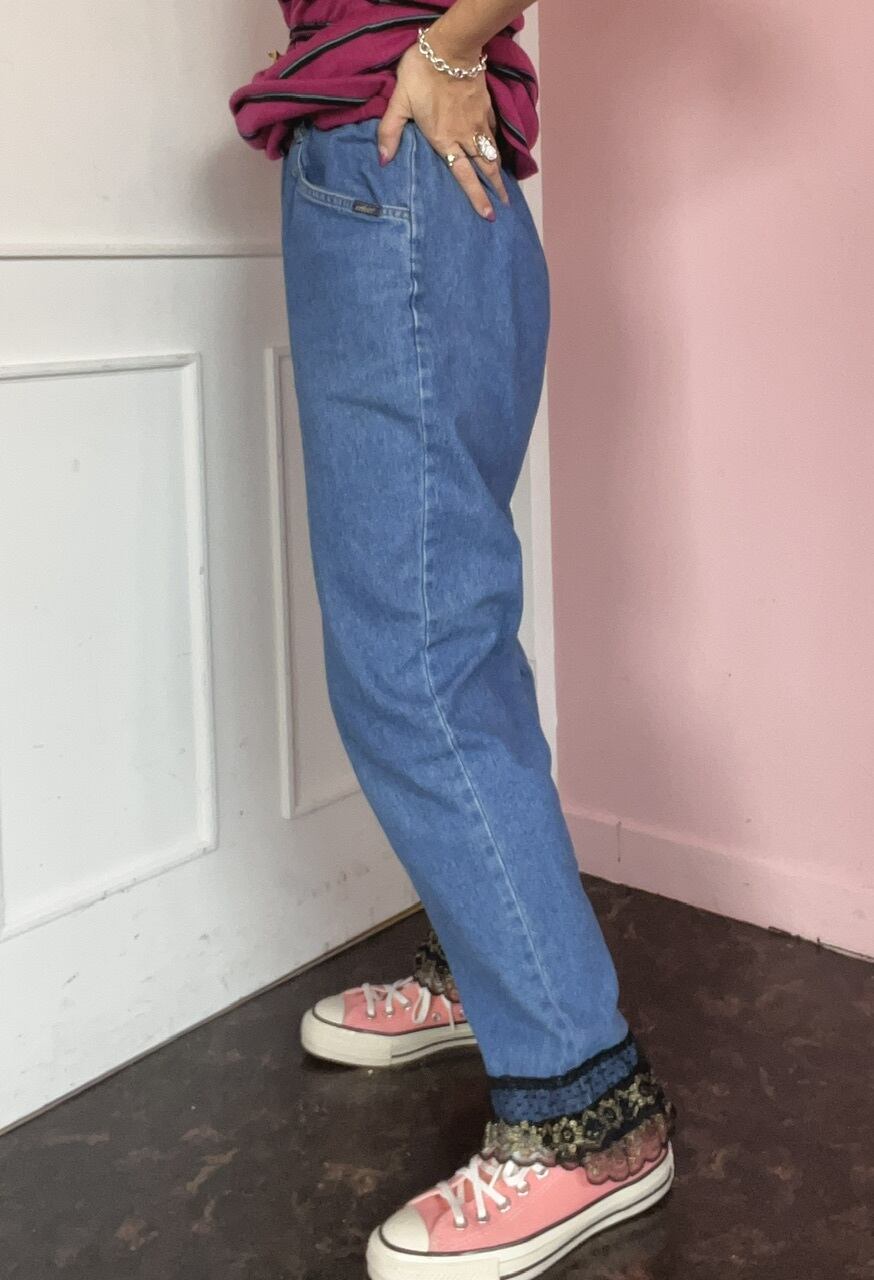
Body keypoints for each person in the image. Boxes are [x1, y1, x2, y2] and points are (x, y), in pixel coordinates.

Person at [230, 3, 678, 1275]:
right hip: (413, 174)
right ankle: (493, 966)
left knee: (416, 664)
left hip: (397, 164)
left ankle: (586, 1107)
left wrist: (447, 43)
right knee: (449, 641)